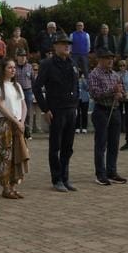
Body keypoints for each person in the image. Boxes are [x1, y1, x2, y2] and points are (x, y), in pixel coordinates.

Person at [33, 32, 79, 191]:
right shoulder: (47, 64)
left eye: (68, 44)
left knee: (68, 146)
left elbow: (76, 86)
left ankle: (65, 178)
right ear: (55, 46)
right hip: (56, 110)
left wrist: (76, 105)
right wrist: (45, 109)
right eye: (63, 43)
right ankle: (56, 179)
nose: (67, 46)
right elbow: (37, 88)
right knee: (55, 147)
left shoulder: (73, 63)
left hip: (71, 110)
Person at [87, 49, 127, 185]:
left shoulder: (115, 75)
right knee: (101, 143)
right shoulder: (94, 74)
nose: (110, 61)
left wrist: (121, 95)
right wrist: (112, 91)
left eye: (112, 58)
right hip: (101, 111)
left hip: (115, 110)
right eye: (107, 58)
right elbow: (95, 94)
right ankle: (100, 174)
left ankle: (112, 171)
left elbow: (122, 93)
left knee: (114, 143)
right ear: (100, 59)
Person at [0, 58, 29, 198]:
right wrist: (15, 121)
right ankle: (6, 186)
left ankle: (14, 185)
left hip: (18, 123)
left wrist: (22, 122)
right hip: (6, 123)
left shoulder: (17, 86)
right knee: (5, 155)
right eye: (9, 67)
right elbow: (1, 106)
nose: (13, 70)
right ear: (3, 69)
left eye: (14, 67)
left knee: (17, 154)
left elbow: (23, 105)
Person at [13, 49, 35, 138]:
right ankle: (18, 131)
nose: (23, 58)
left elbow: (33, 80)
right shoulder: (14, 67)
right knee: (17, 112)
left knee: (27, 113)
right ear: (17, 57)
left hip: (27, 90)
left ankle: (27, 132)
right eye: (21, 56)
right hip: (17, 91)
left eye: (24, 56)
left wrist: (33, 92)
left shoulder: (30, 67)